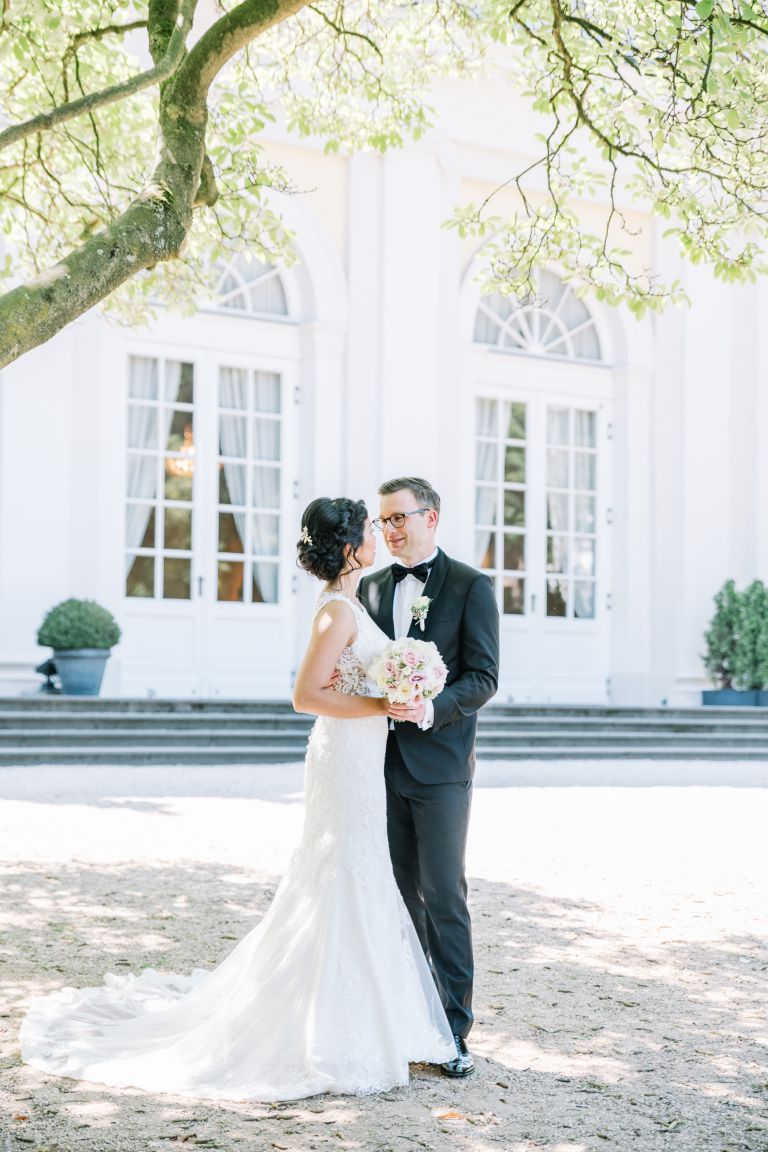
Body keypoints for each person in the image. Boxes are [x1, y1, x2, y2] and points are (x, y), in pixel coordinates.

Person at [20, 497, 456, 1102]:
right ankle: (332, 1026)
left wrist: (399, 690)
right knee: (342, 872)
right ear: (349, 546)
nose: (377, 537)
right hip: (343, 755)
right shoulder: (337, 612)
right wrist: (383, 703)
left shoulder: (351, 603)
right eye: (368, 530)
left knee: (358, 872)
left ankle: (367, 1018)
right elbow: (305, 695)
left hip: (361, 754)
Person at [358, 477, 499, 1078]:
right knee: (396, 895)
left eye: (399, 518)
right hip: (375, 764)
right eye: (383, 520)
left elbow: (483, 676)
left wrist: (430, 707)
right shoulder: (368, 587)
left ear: (431, 517)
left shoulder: (470, 585)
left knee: (443, 895)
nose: (390, 530)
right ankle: (412, 1019)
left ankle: (454, 1031)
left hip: (440, 766)